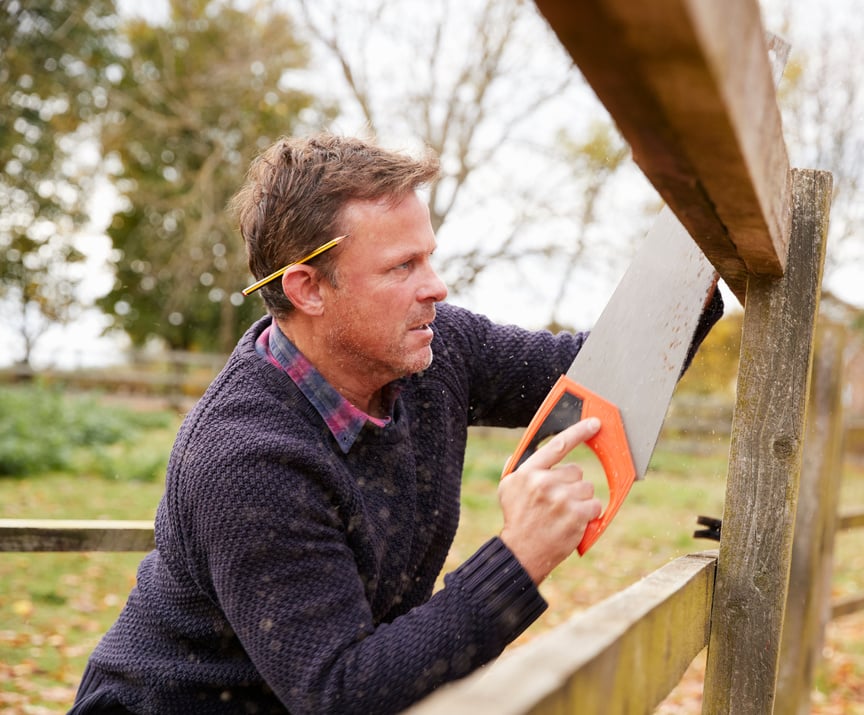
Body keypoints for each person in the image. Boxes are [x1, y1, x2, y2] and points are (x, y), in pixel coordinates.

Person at [71, 133, 723, 714]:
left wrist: (695, 254)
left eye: (429, 257)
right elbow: (341, 692)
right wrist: (519, 559)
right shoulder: (248, 459)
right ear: (308, 288)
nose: (436, 286)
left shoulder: (437, 349)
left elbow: (590, 375)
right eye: (401, 266)